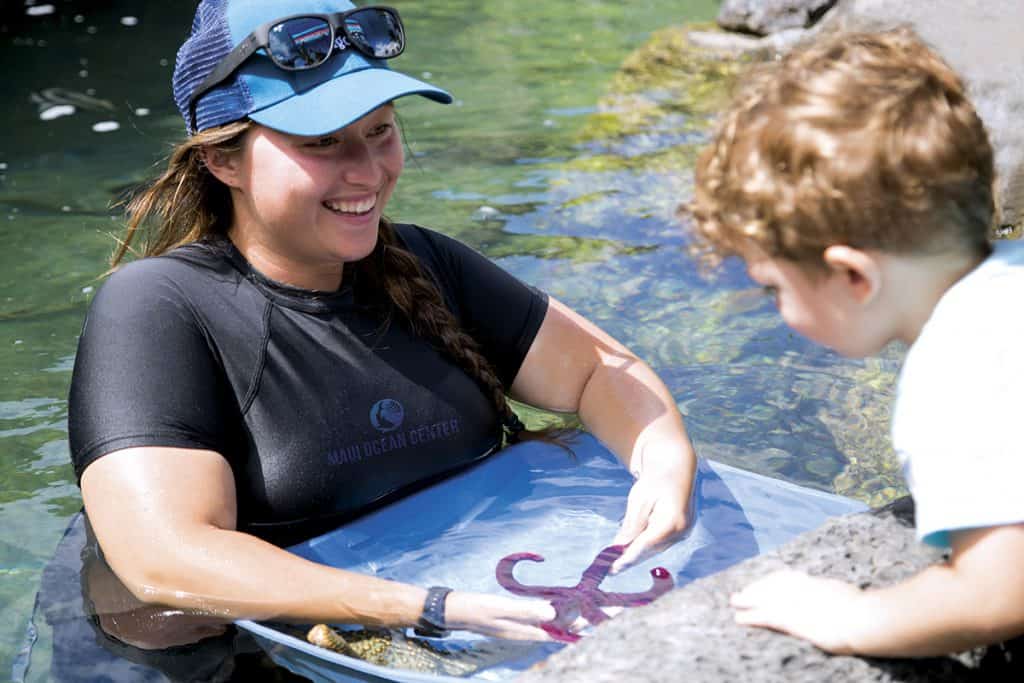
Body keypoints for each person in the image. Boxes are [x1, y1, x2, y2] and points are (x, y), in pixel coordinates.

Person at [52, 0, 698, 676]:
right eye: (321, 141)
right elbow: (162, 555)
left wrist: (661, 458)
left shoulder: (426, 265)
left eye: (380, 130)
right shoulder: (159, 306)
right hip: (234, 658)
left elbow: (598, 370)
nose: (367, 171)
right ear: (222, 159)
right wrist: (424, 606)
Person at [689, 27, 1024, 656]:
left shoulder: (956, 368)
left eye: (772, 288)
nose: (779, 313)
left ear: (852, 275)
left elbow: (999, 591)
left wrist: (858, 615)